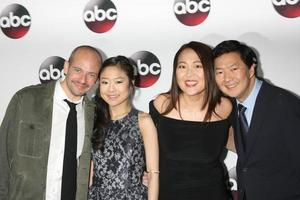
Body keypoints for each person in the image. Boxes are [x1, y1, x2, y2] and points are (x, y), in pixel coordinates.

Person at [0, 45, 102, 200]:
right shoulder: (26, 100)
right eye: (78, 70)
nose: (83, 80)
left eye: (91, 74)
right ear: (66, 67)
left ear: (97, 78)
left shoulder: (93, 113)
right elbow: (3, 157)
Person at [213, 40, 300, 200]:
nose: (227, 78)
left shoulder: (284, 104)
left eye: (233, 69)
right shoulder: (231, 106)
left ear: (251, 69)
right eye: (219, 72)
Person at [149, 41, 233, 200]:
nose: (189, 74)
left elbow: (242, 144)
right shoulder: (162, 104)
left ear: (209, 69)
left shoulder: (225, 107)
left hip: (213, 194)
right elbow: (142, 147)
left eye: (197, 66)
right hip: (168, 194)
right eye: (182, 66)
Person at [88, 55, 159, 200]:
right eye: (105, 82)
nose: (111, 89)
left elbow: (153, 173)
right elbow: (88, 171)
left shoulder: (143, 121)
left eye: (118, 82)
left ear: (131, 84)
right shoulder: (92, 120)